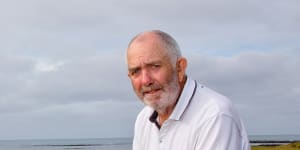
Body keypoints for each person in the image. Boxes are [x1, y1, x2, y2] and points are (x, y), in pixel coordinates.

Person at [126, 30, 250, 150]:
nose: (146, 80)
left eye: (155, 66)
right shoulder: (143, 119)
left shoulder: (215, 115)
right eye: (135, 71)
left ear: (180, 68)